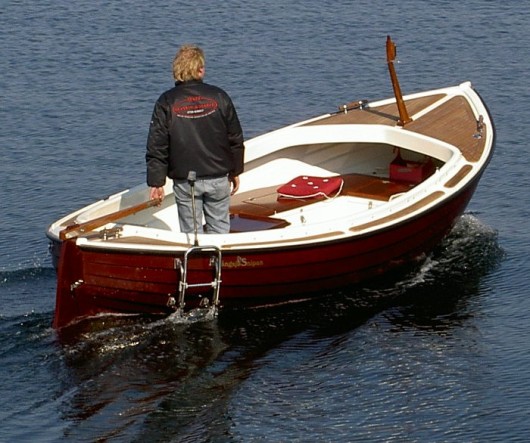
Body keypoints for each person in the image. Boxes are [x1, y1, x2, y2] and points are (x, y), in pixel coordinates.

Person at [146, 44, 245, 234]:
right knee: (219, 232)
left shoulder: (166, 101)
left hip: (186, 182)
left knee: (191, 235)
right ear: (200, 70)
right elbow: (235, 138)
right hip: (218, 177)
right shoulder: (219, 96)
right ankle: (218, 262)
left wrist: (156, 182)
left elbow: (157, 145)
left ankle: (195, 262)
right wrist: (235, 170)